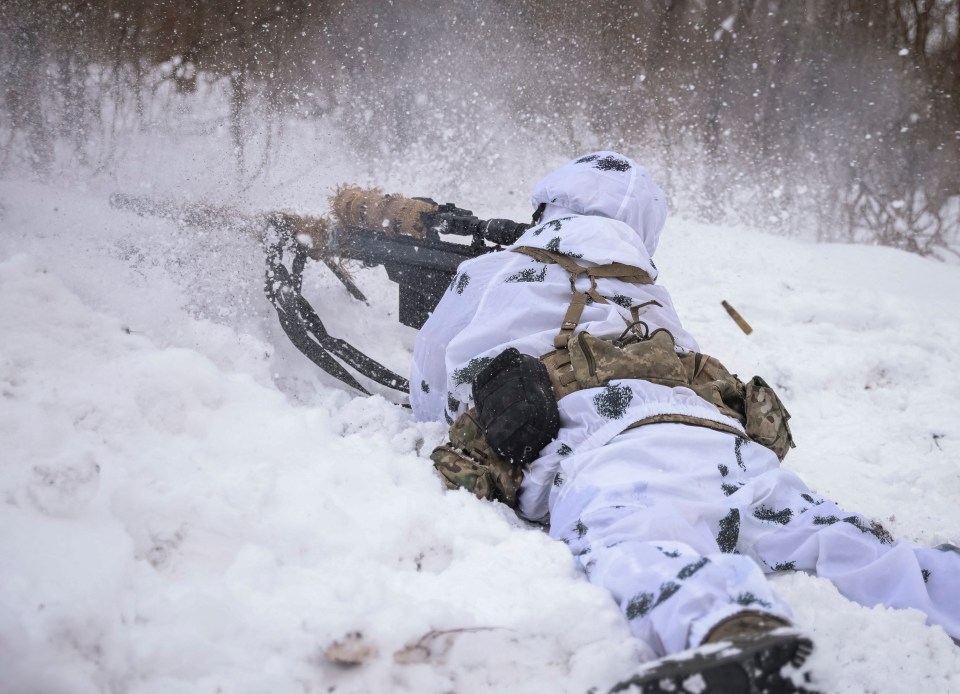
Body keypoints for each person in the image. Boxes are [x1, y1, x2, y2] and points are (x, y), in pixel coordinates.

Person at [409, 152, 960, 691]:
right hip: (718, 437)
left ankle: (733, 632)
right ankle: (943, 587)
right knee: (822, 529)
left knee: (638, 541)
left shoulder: (493, 270)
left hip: (607, 449)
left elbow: (431, 383)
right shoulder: (646, 288)